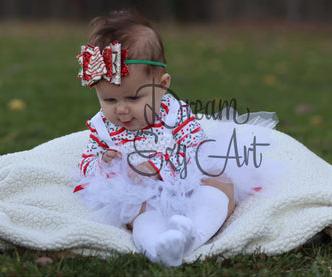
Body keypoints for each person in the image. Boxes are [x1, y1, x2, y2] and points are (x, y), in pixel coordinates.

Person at [73, 10, 281, 266]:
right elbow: (85, 164)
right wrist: (105, 162)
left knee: (221, 180)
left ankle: (194, 232)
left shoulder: (174, 112)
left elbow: (196, 146)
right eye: (109, 100)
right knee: (133, 209)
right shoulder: (103, 127)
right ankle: (159, 245)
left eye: (133, 98)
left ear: (162, 85)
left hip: (185, 182)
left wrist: (160, 167)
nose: (121, 109)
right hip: (139, 192)